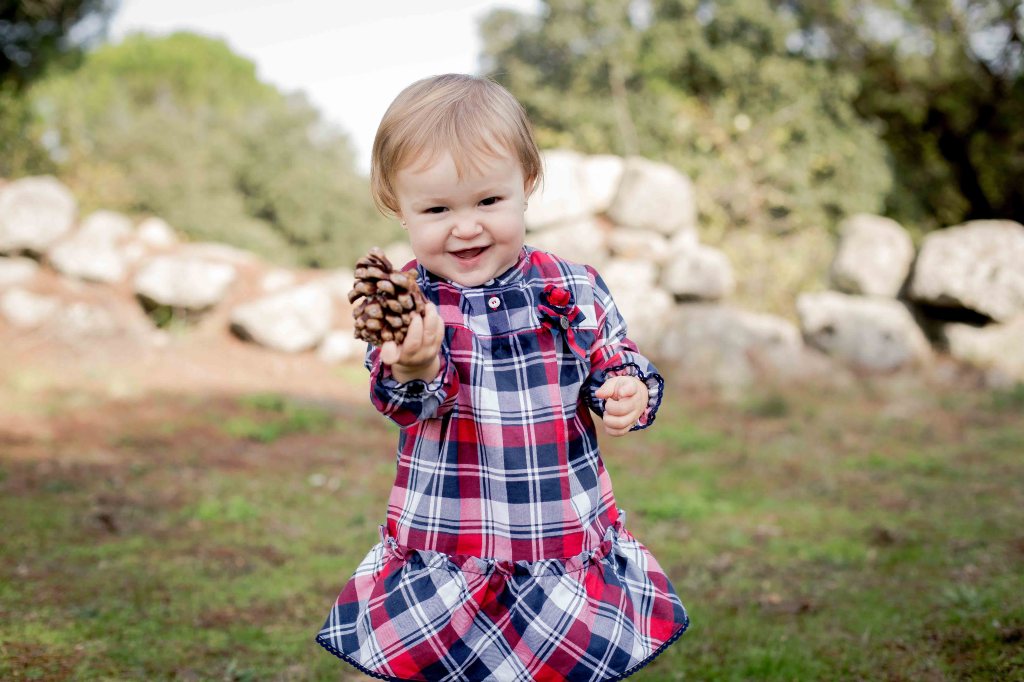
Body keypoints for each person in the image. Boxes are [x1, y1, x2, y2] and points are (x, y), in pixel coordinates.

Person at [315, 73, 689, 681]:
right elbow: (405, 401)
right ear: (398, 208)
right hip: (449, 542)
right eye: (437, 209)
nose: (466, 227)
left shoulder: (572, 288)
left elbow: (615, 358)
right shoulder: (408, 301)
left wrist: (627, 389)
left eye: (488, 202)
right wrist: (415, 366)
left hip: (558, 537)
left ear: (527, 185)